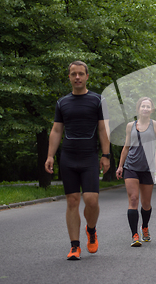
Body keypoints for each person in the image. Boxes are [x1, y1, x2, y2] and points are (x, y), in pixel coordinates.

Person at [45, 61, 110, 260]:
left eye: (81, 74)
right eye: (74, 74)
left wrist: (106, 155)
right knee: (72, 201)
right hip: (68, 157)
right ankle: (74, 246)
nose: (77, 77)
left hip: (89, 156)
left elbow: (103, 129)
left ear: (87, 76)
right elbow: (57, 130)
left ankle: (91, 230)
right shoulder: (62, 102)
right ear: (69, 77)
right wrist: (50, 155)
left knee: (91, 200)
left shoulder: (98, 100)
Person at [116, 97, 156, 247]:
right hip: (131, 167)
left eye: (148, 106)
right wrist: (120, 166)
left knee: (146, 204)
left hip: (148, 168)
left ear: (152, 109)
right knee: (133, 199)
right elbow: (126, 147)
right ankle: (135, 235)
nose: (145, 109)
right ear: (138, 109)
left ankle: (145, 227)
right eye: (143, 106)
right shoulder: (130, 126)